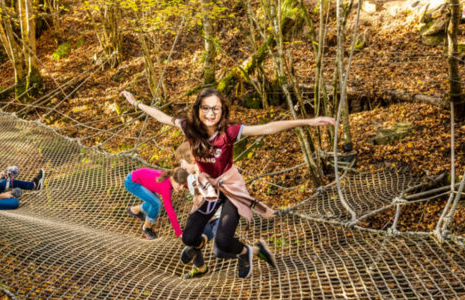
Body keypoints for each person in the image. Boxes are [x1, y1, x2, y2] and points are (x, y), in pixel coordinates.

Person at [121, 88, 336, 279]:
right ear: (198, 109)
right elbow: (161, 117)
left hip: (229, 189)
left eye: (216, 109)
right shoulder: (189, 128)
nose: (210, 113)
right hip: (208, 190)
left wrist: (307, 121)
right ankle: (204, 245)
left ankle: (245, 253)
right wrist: (135, 103)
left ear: (222, 111)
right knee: (188, 237)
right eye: (206, 108)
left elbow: (267, 128)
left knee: (223, 242)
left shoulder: (229, 133)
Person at [125, 166, 189, 239]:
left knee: (152, 202)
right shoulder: (165, 187)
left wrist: (197, 190)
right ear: (172, 178)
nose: (181, 188)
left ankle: (134, 210)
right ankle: (146, 228)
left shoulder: (173, 176)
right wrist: (179, 233)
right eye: (179, 185)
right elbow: (170, 210)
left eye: (183, 185)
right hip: (132, 182)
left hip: (141, 178)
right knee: (156, 204)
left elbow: (186, 184)